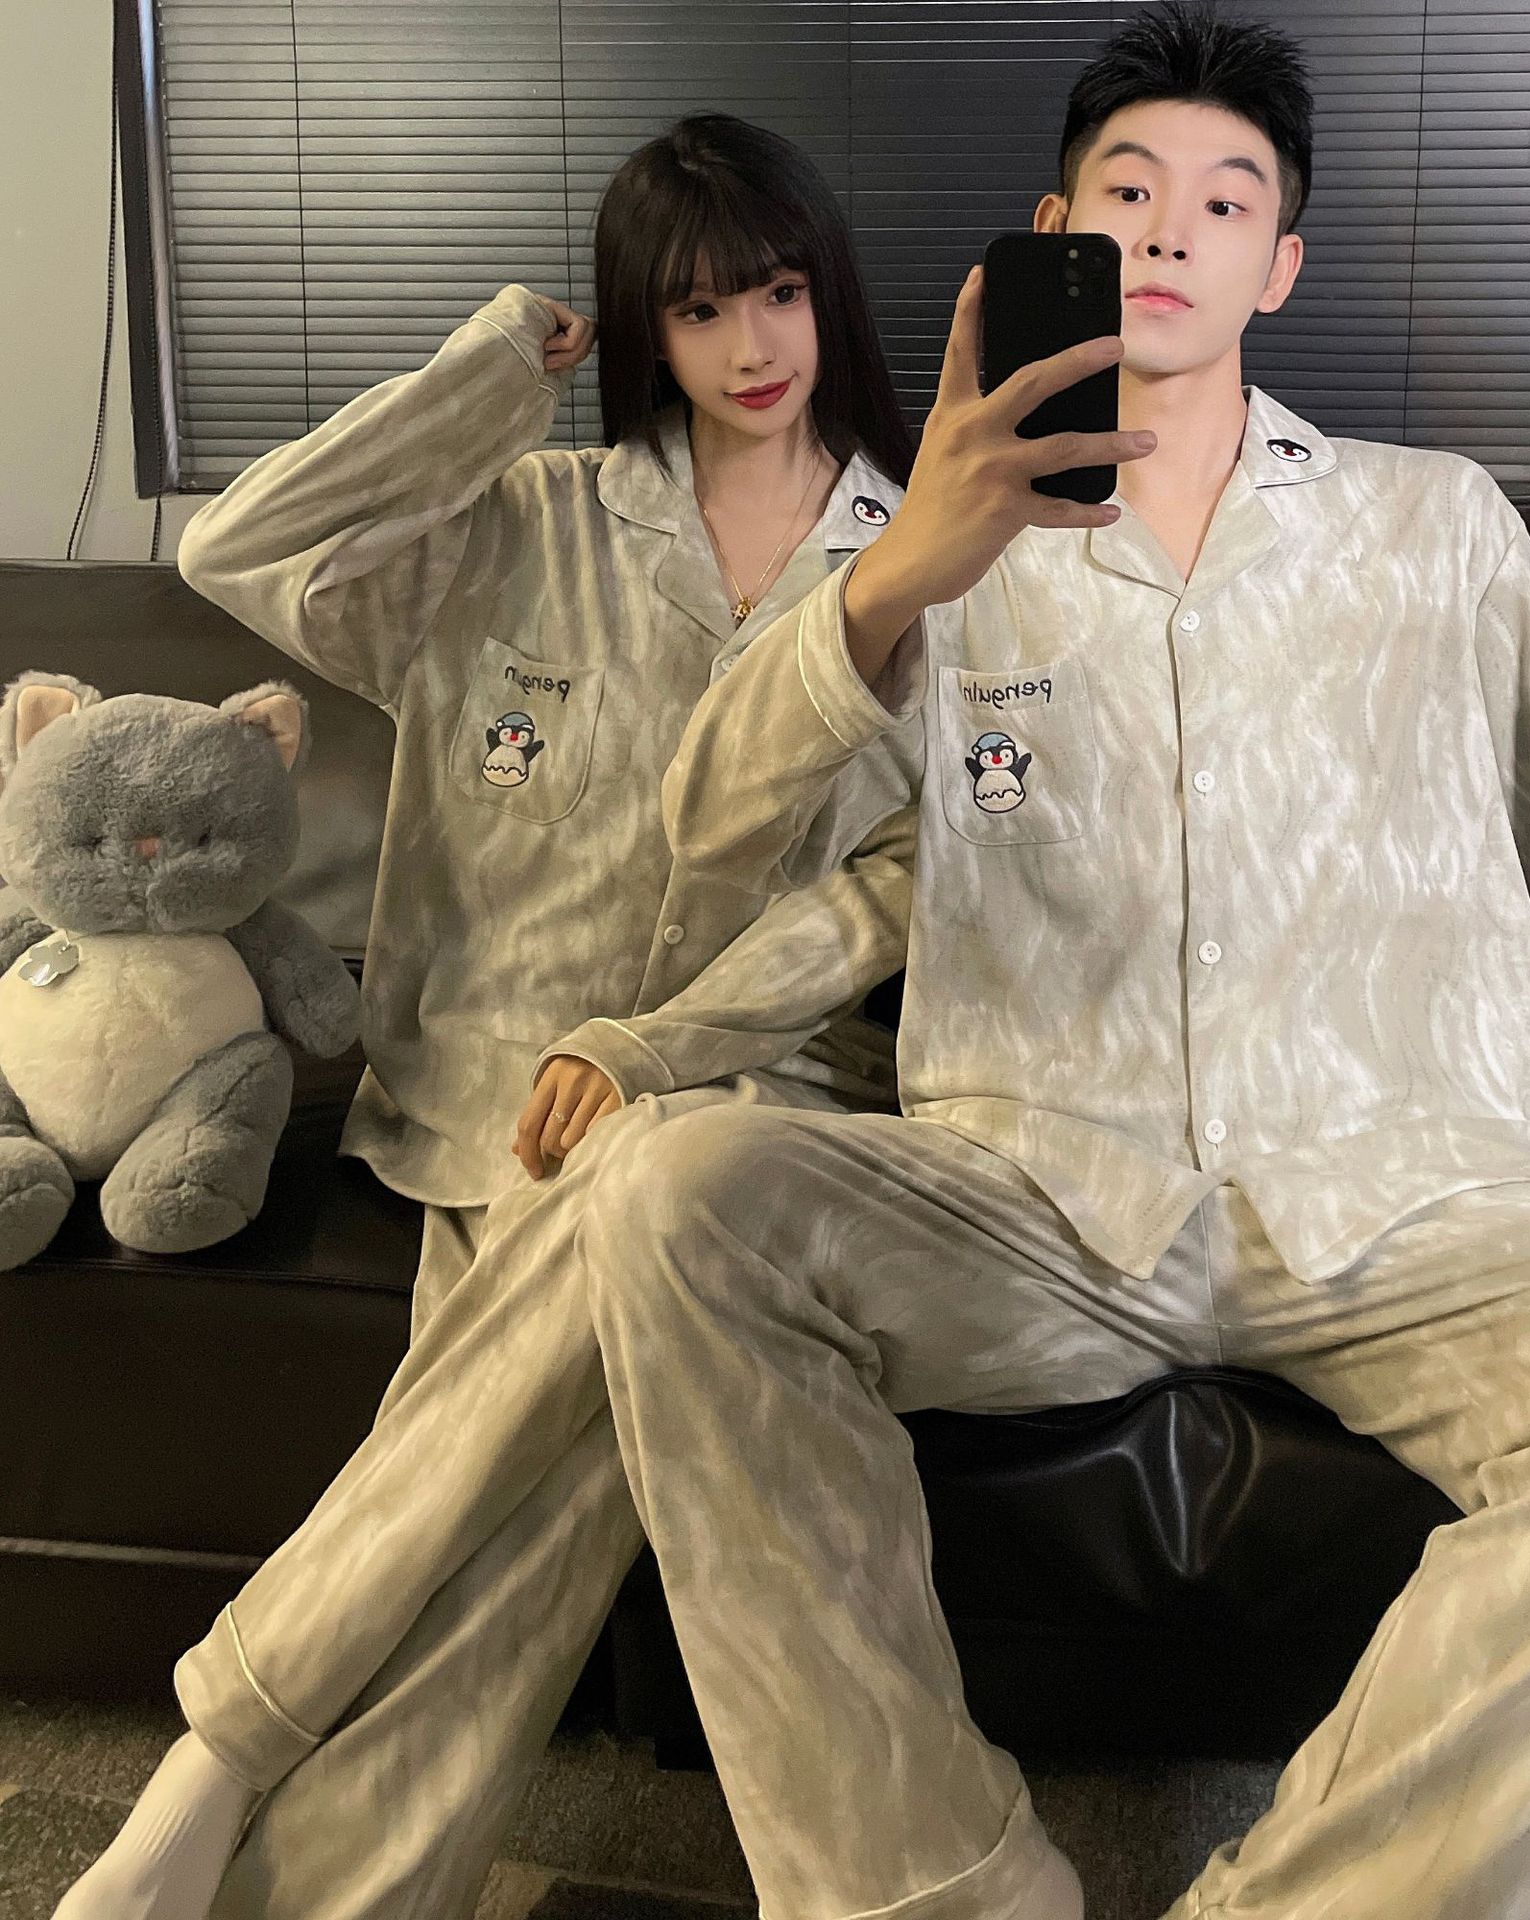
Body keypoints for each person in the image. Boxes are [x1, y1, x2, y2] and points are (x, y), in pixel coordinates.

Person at [562, 5, 1530, 1920]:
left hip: (1409, 1193)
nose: (1172, 229)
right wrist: (899, 571)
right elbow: (714, 828)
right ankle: (937, 1893)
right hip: (1045, 1189)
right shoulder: (935, 543)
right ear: (1056, 232)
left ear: (1280, 265)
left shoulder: (1431, 529)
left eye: (1224, 200)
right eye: (1129, 191)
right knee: (678, 1197)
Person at [55, 114, 918, 1920]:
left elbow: (903, 880)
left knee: (530, 1417)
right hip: (502, 1100)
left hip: (752, 1102)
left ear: (827, 289)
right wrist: (489, 378)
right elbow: (242, 544)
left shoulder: (916, 557)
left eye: (776, 292)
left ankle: (216, 1764)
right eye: (699, 310)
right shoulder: (519, 524)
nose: (752, 344)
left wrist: (675, 1057)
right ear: (645, 329)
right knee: (535, 1498)